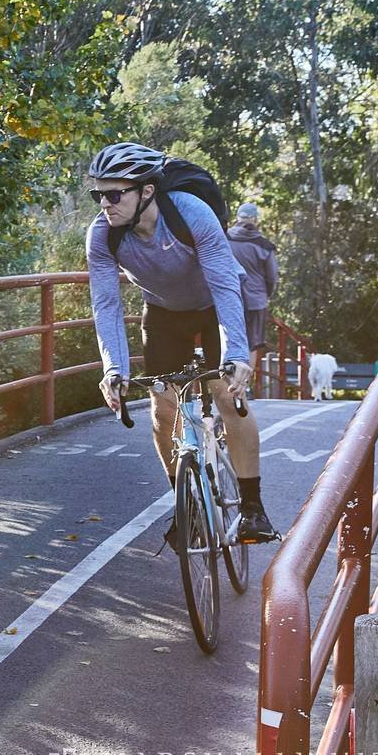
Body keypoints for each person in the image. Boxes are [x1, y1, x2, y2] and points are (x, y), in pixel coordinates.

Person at [84, 142, 278, 544]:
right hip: (163, 311)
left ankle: (253, 509)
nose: (104, 204)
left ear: (147, 191)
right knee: (163, 407)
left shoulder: (190, 213)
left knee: (227, 395)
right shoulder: (103, 235)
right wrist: (114, 368)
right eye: (98, 194)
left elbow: (225, 284)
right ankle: (186, 507)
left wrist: (236, 354)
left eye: (114, 194)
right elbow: (106, 305)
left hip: (213, 304)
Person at [227, 202, 279, 385]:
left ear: (237, 218)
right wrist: (265, 294)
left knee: (227, 340)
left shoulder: (224, 239)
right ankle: (244, 386)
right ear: (255, 220)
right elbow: (272, 277)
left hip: (229, 297)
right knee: (253, 343)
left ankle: (227, 384)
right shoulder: (264, 246)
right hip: (256, 301)